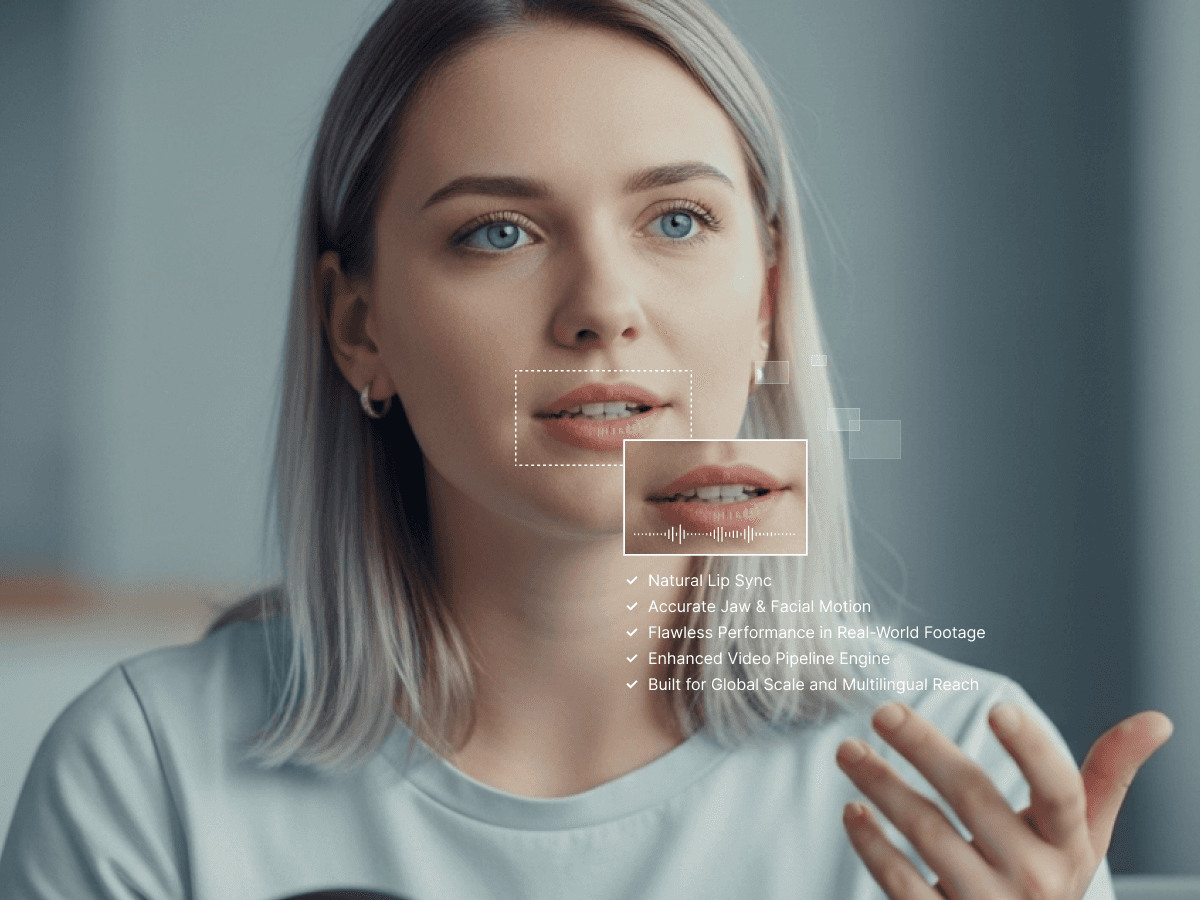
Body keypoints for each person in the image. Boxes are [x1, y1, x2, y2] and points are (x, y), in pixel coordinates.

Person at [0, 2, 1171, 898]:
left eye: (676, 221)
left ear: (763, 294)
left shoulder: (958, 779)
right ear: (359, 327)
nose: (603, 305)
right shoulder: (143, 776)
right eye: (496, 232)